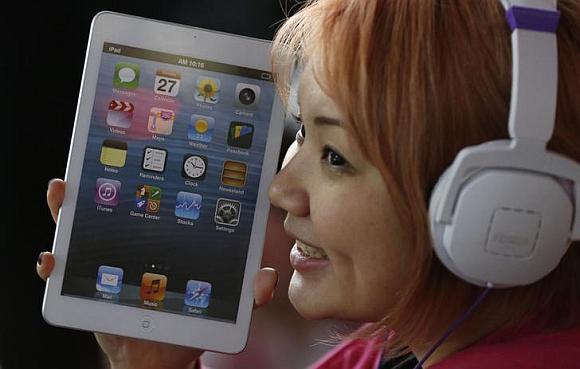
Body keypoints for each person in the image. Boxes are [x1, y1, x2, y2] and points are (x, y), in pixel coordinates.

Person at [36, 0, 580, 368]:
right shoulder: (382, 356)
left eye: (335, 156)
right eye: (301, 132)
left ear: (499, 201)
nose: (279, 190)